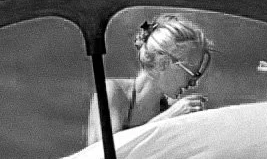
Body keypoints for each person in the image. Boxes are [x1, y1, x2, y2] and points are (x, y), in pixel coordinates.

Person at [84, 13, 213, 145]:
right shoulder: (114, 92)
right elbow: (109, 155)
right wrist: (166, 119)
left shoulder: (170, 108)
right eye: (191, 73)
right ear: (164, 63)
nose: (193, 83)